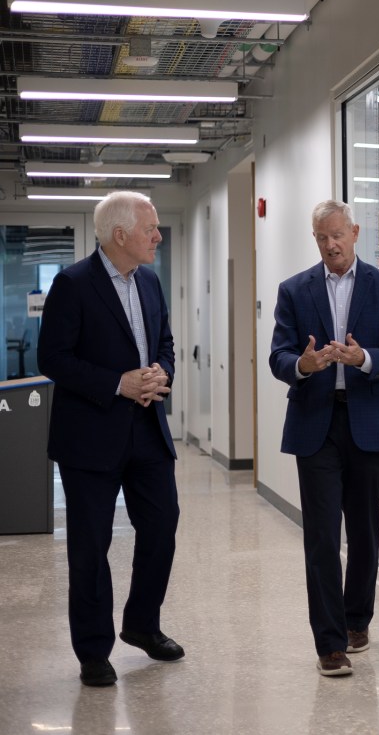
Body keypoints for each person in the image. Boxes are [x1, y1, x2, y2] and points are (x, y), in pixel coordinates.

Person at [38, 190, 182, 687]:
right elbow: (53, 359)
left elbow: (164, 343)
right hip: (90, 439)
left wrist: (160, 374)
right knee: (91, 547)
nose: (157, 236)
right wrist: (116, 383)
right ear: (120, 235)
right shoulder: (73, 284)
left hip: (147, 430)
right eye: (151, 229)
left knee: (162, 527)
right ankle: (94, 650)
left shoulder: (151, 282)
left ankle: (142, 625)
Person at [269, 199, 379, 676]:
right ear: (316, 240)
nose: (331, 245)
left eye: (338, 235)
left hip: (370, 424)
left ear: (354, 233)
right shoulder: (295, 290)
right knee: (322, 536)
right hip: (317, 426)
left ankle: (357, 620)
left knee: (365, 530)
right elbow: (280, 357)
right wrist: (304, 365)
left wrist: (362, 359)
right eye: (322, 238)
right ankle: (329, 643)